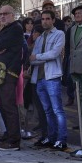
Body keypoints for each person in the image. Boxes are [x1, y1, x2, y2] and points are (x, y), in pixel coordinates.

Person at [30, 10, 67, 150]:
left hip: (52, 77)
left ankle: (62, 139)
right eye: (43, 19)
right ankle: (51, 138)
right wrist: (38, 57)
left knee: (57, 110)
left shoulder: (59, 34)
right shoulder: (40, 38)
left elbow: (54, 54)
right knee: (47, 111)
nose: (44, 21)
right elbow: (32, 59)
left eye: (47, 19)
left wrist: (38, 57)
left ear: (53, 20)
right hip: (39, 78)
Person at [0, 6, 25, 151]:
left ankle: (14, 140)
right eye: (0, 14)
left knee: (9, 106)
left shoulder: (15, 28)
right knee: (3, 106)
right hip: (1, 71)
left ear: (13, 14)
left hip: (9, 72)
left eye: (5, 14)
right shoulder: (5, 29)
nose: (2, 17)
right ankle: (9, 134)